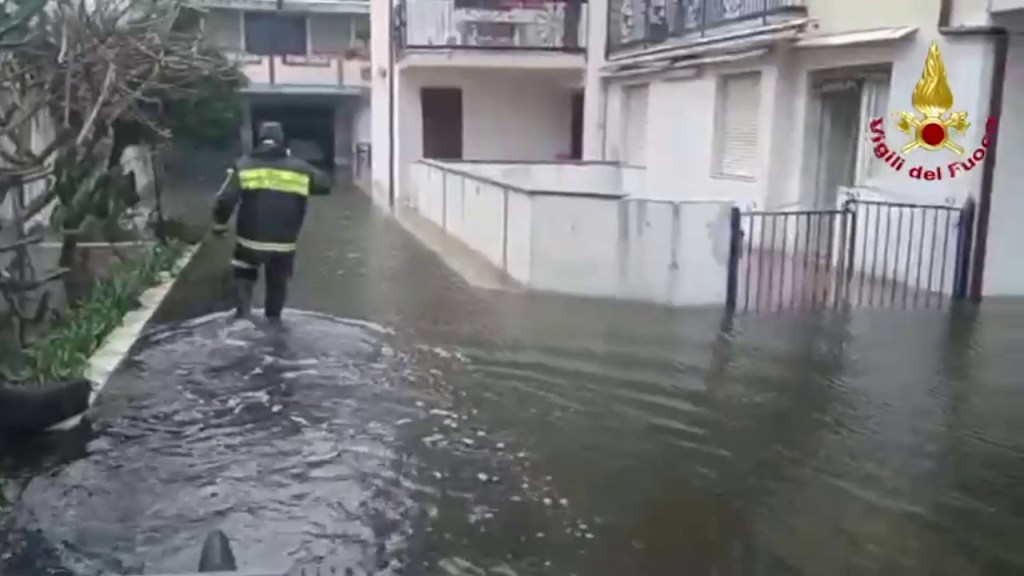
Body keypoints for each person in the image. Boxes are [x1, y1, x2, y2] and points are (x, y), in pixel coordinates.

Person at [211, 121, 330, 320]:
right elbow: (325, 185)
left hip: (249, 243)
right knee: (277, 284)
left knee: (243, 278)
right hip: (284, 245)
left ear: (259, 139)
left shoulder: (244, 165)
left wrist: (220, 223)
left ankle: (243, 318)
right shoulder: (299, 168)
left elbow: (225, 199)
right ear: (282, 140)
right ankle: (273, 322)